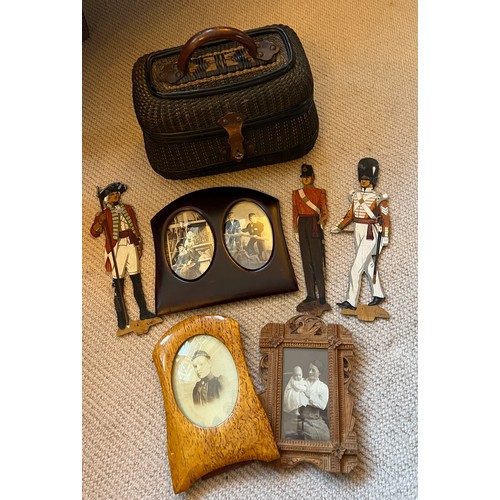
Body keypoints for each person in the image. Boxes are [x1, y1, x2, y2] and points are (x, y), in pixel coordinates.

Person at [90, 182, 156, 331]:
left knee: (136, 279)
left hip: (130, 243)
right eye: (112, 194)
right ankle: (122, 318)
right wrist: (99, 222)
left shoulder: (128, 209)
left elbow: (134, 226)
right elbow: (94, 232)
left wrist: (139, 242)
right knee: (118, 284)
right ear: (107, 198)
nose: (116, 196)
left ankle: (144, 311)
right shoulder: (103, 214)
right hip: (117, 247)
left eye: (117, 194)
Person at [331, 158, 391, 310]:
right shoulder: (356, 196)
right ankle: (378, 294)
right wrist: (339, 226)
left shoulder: (379, 198)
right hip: (357, 230)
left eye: (366, 179)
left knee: (356, 267)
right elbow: (350, 214)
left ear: (372, 180)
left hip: (371, 233)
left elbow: (385, 220)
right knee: (368, 265)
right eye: (362, 179)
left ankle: (351, 301)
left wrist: (385, 237)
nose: (363, 181)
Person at [292, 164, 330, 312]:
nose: (306, 179)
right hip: (302, 224)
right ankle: (310, 295)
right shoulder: (296, 194)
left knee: (316, 260)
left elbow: (324, 212)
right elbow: (295, 212)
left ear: (313, 177)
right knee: (306, 260)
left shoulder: (320, 192)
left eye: (308, 177)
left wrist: (321, 222)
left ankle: (322, 296)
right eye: (303, 177)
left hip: (314, 223)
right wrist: (296, 229)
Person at [283, 360, 330, 441]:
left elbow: (323, 405)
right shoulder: (302, 381)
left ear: (319, 373)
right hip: (299, 417)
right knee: (286, 429)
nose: (310, 372)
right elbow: (291, 392)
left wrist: (309, 396)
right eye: (309, 369)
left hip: (314, 419)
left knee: (325, 436)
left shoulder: (323, 387)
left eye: (313, 370)